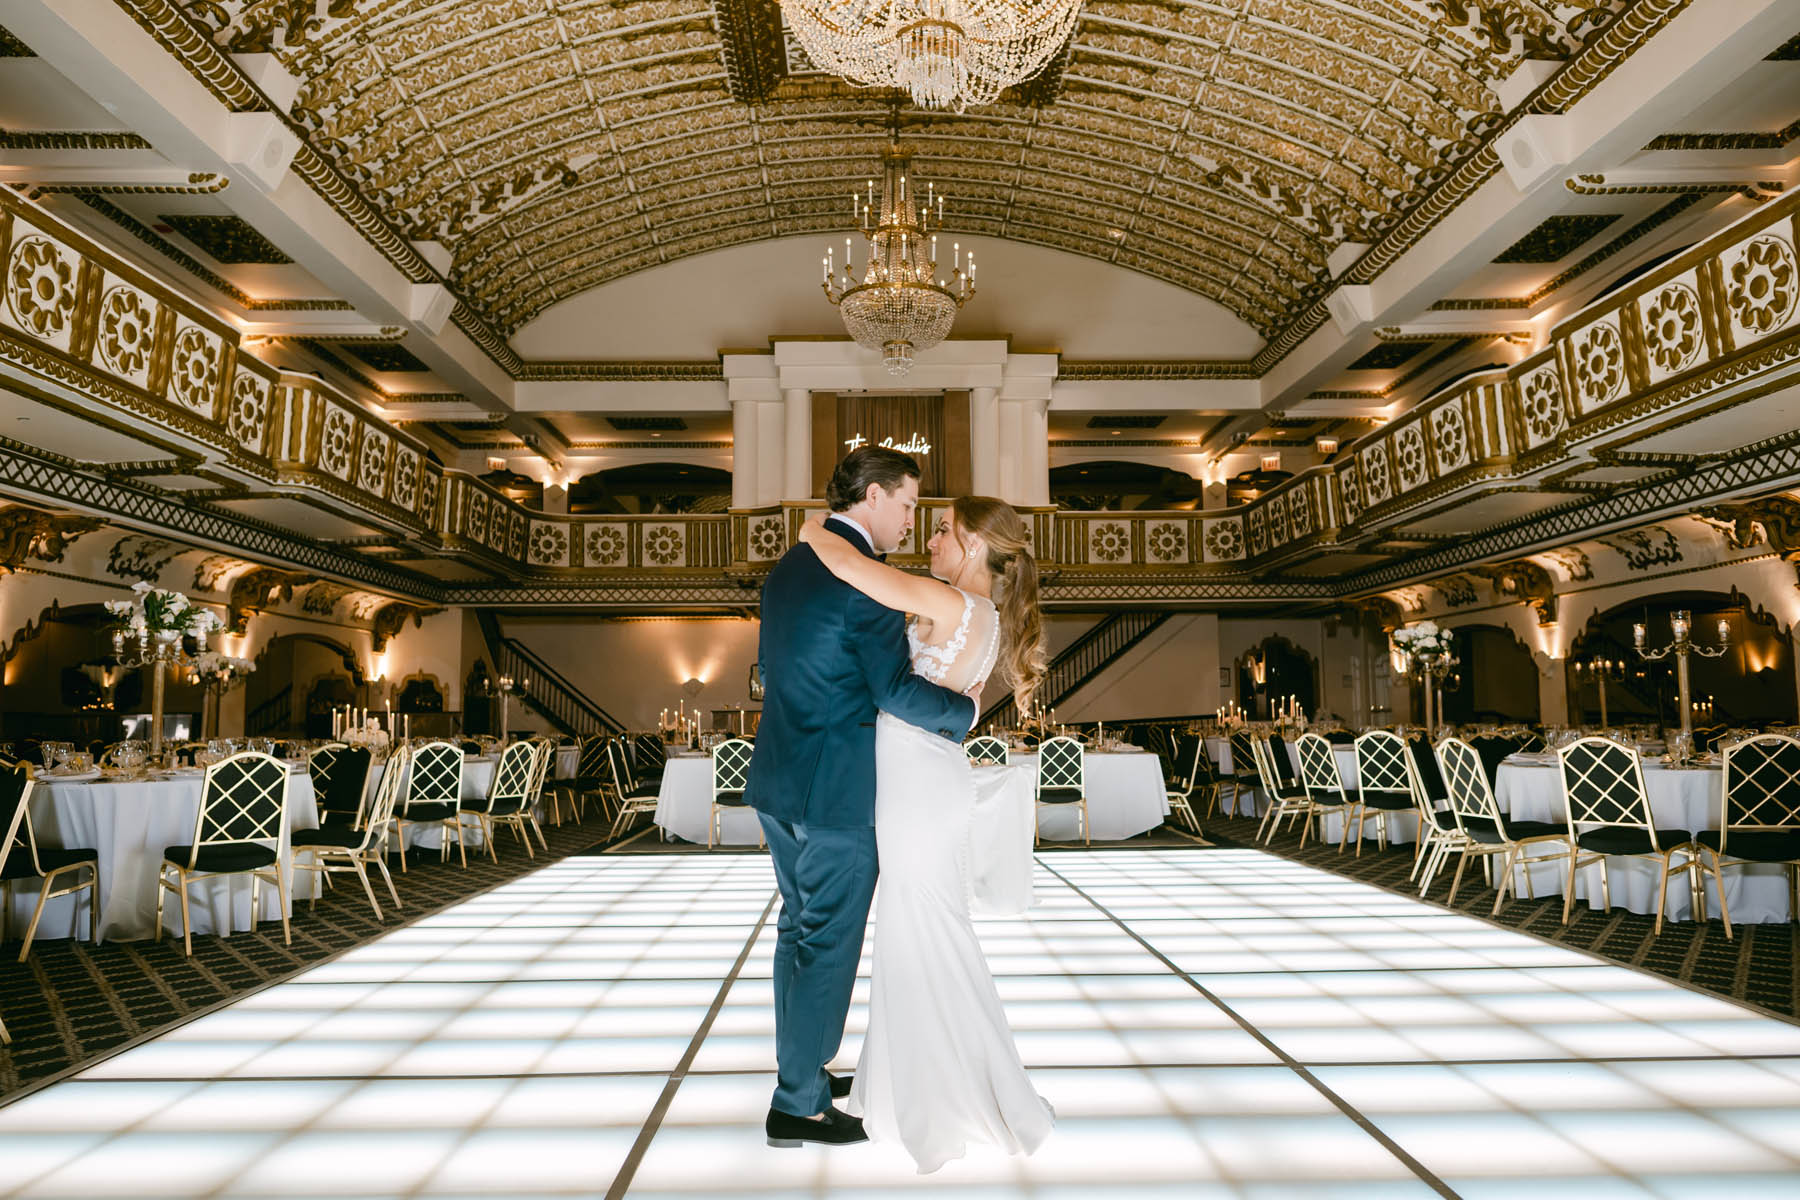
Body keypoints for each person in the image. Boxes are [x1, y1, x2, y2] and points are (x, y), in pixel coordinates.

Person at [798, 491, 1056, 1174]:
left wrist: (809, 526)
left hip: (918, 786)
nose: (931, 540)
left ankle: (945, 1094)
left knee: (924, 931)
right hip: (923, 780)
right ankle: (923, 1083)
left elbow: (851, 568)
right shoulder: (981, 612)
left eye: (943, 531)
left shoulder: (951, 603)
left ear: (974, 546)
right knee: (922, 932)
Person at [744, 447, 978, 1150]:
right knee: (827, 943)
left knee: (799, 931)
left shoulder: (792, 566)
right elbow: (895, 693)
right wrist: (965, 714)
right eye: (908, 504)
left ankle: (801, 1074)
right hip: (837, 794)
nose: (913, 520)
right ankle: (799, 1103)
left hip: (781, 778)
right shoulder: (869, 582)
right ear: (872, 496)